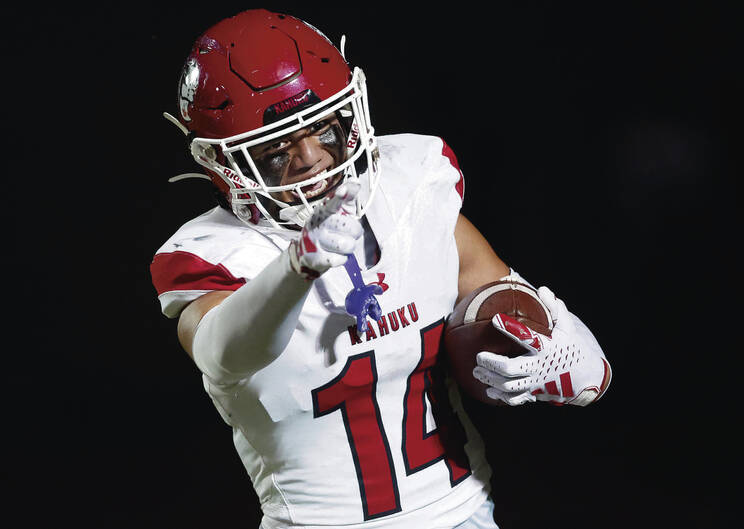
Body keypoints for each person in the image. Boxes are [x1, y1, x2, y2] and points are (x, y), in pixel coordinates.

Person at [150, 9, 612, 529]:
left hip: (466, 514)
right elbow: (221, 354)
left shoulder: (411, 186)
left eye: (322, 128)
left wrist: (561, 346)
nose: (311, 159)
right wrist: (294, 267)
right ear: (224, 164)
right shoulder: (213, 254)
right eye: (277, 148)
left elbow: (496, 290)